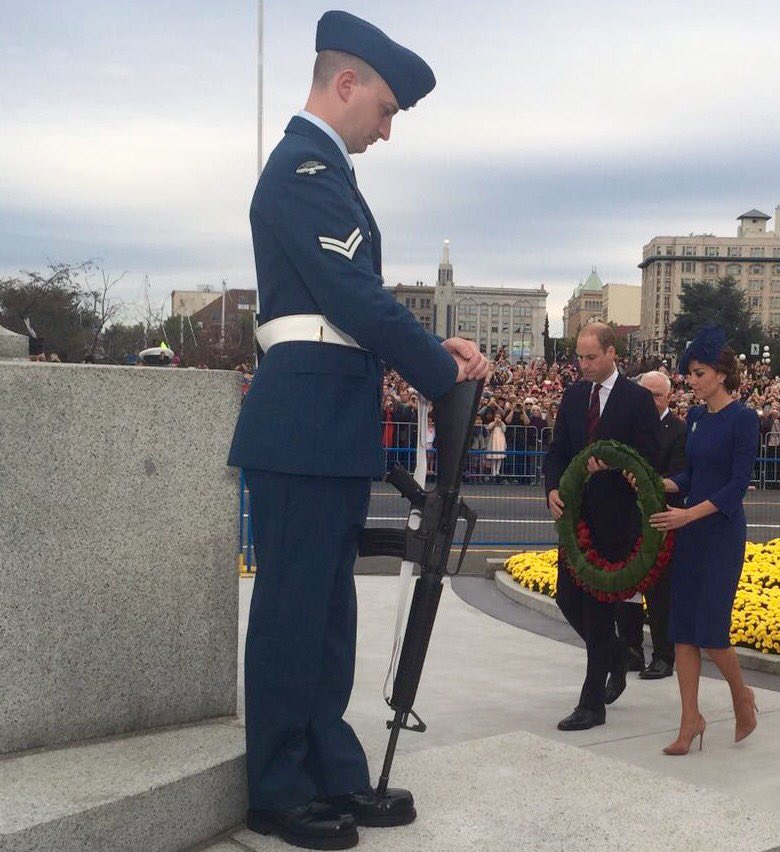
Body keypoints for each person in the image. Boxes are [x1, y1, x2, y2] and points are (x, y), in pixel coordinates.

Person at [227, 12, 490, 849]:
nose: (385, 128)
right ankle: (276, 783)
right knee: (292, 612)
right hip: (302, 427)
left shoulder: (325, 173)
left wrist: (428, 349)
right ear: (345, 85)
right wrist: (439, 368)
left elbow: (346, 308)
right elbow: (353, 299)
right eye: (383, 108)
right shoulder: (305, 168)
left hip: (324, 424)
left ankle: (327, 764)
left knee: (328, 610)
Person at [649, 327, 759, 755]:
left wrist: (688, 513)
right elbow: (691, 477)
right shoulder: (694, 419)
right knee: (682, 632)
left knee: (712, 632)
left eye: (698, 373)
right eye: (689, 374)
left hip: (720, 532)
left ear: (721, 373)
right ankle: (689, 720)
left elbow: (736, 486)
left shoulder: (744, 419)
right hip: (690, 529)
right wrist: (658, 483)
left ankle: (741, 695)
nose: (690, 381)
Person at [543, 322, 659, 731]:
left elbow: (649, 457)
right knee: (566, 599)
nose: (584, 365)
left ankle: (592, 703)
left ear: (612, 353)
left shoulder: (638, 399)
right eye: (580, 356)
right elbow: (557, 450)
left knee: (596, 611)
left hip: (614, 523)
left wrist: (617, 466)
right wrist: (553, 489)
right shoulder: (574, 395)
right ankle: (616, 656)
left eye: (591, 357)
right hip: (574, 518)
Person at [614, 370, 687, 681]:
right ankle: (630, 650)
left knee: (660, 592)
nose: (651, 401)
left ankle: (663, 656)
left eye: (657, 395)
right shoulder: (627, 427)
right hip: (627, 518)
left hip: (661, 519)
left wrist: (649, 483)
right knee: (626, 588)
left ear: (668, 396)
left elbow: (681, 474)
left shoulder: (680, 430)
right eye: (646, 394)